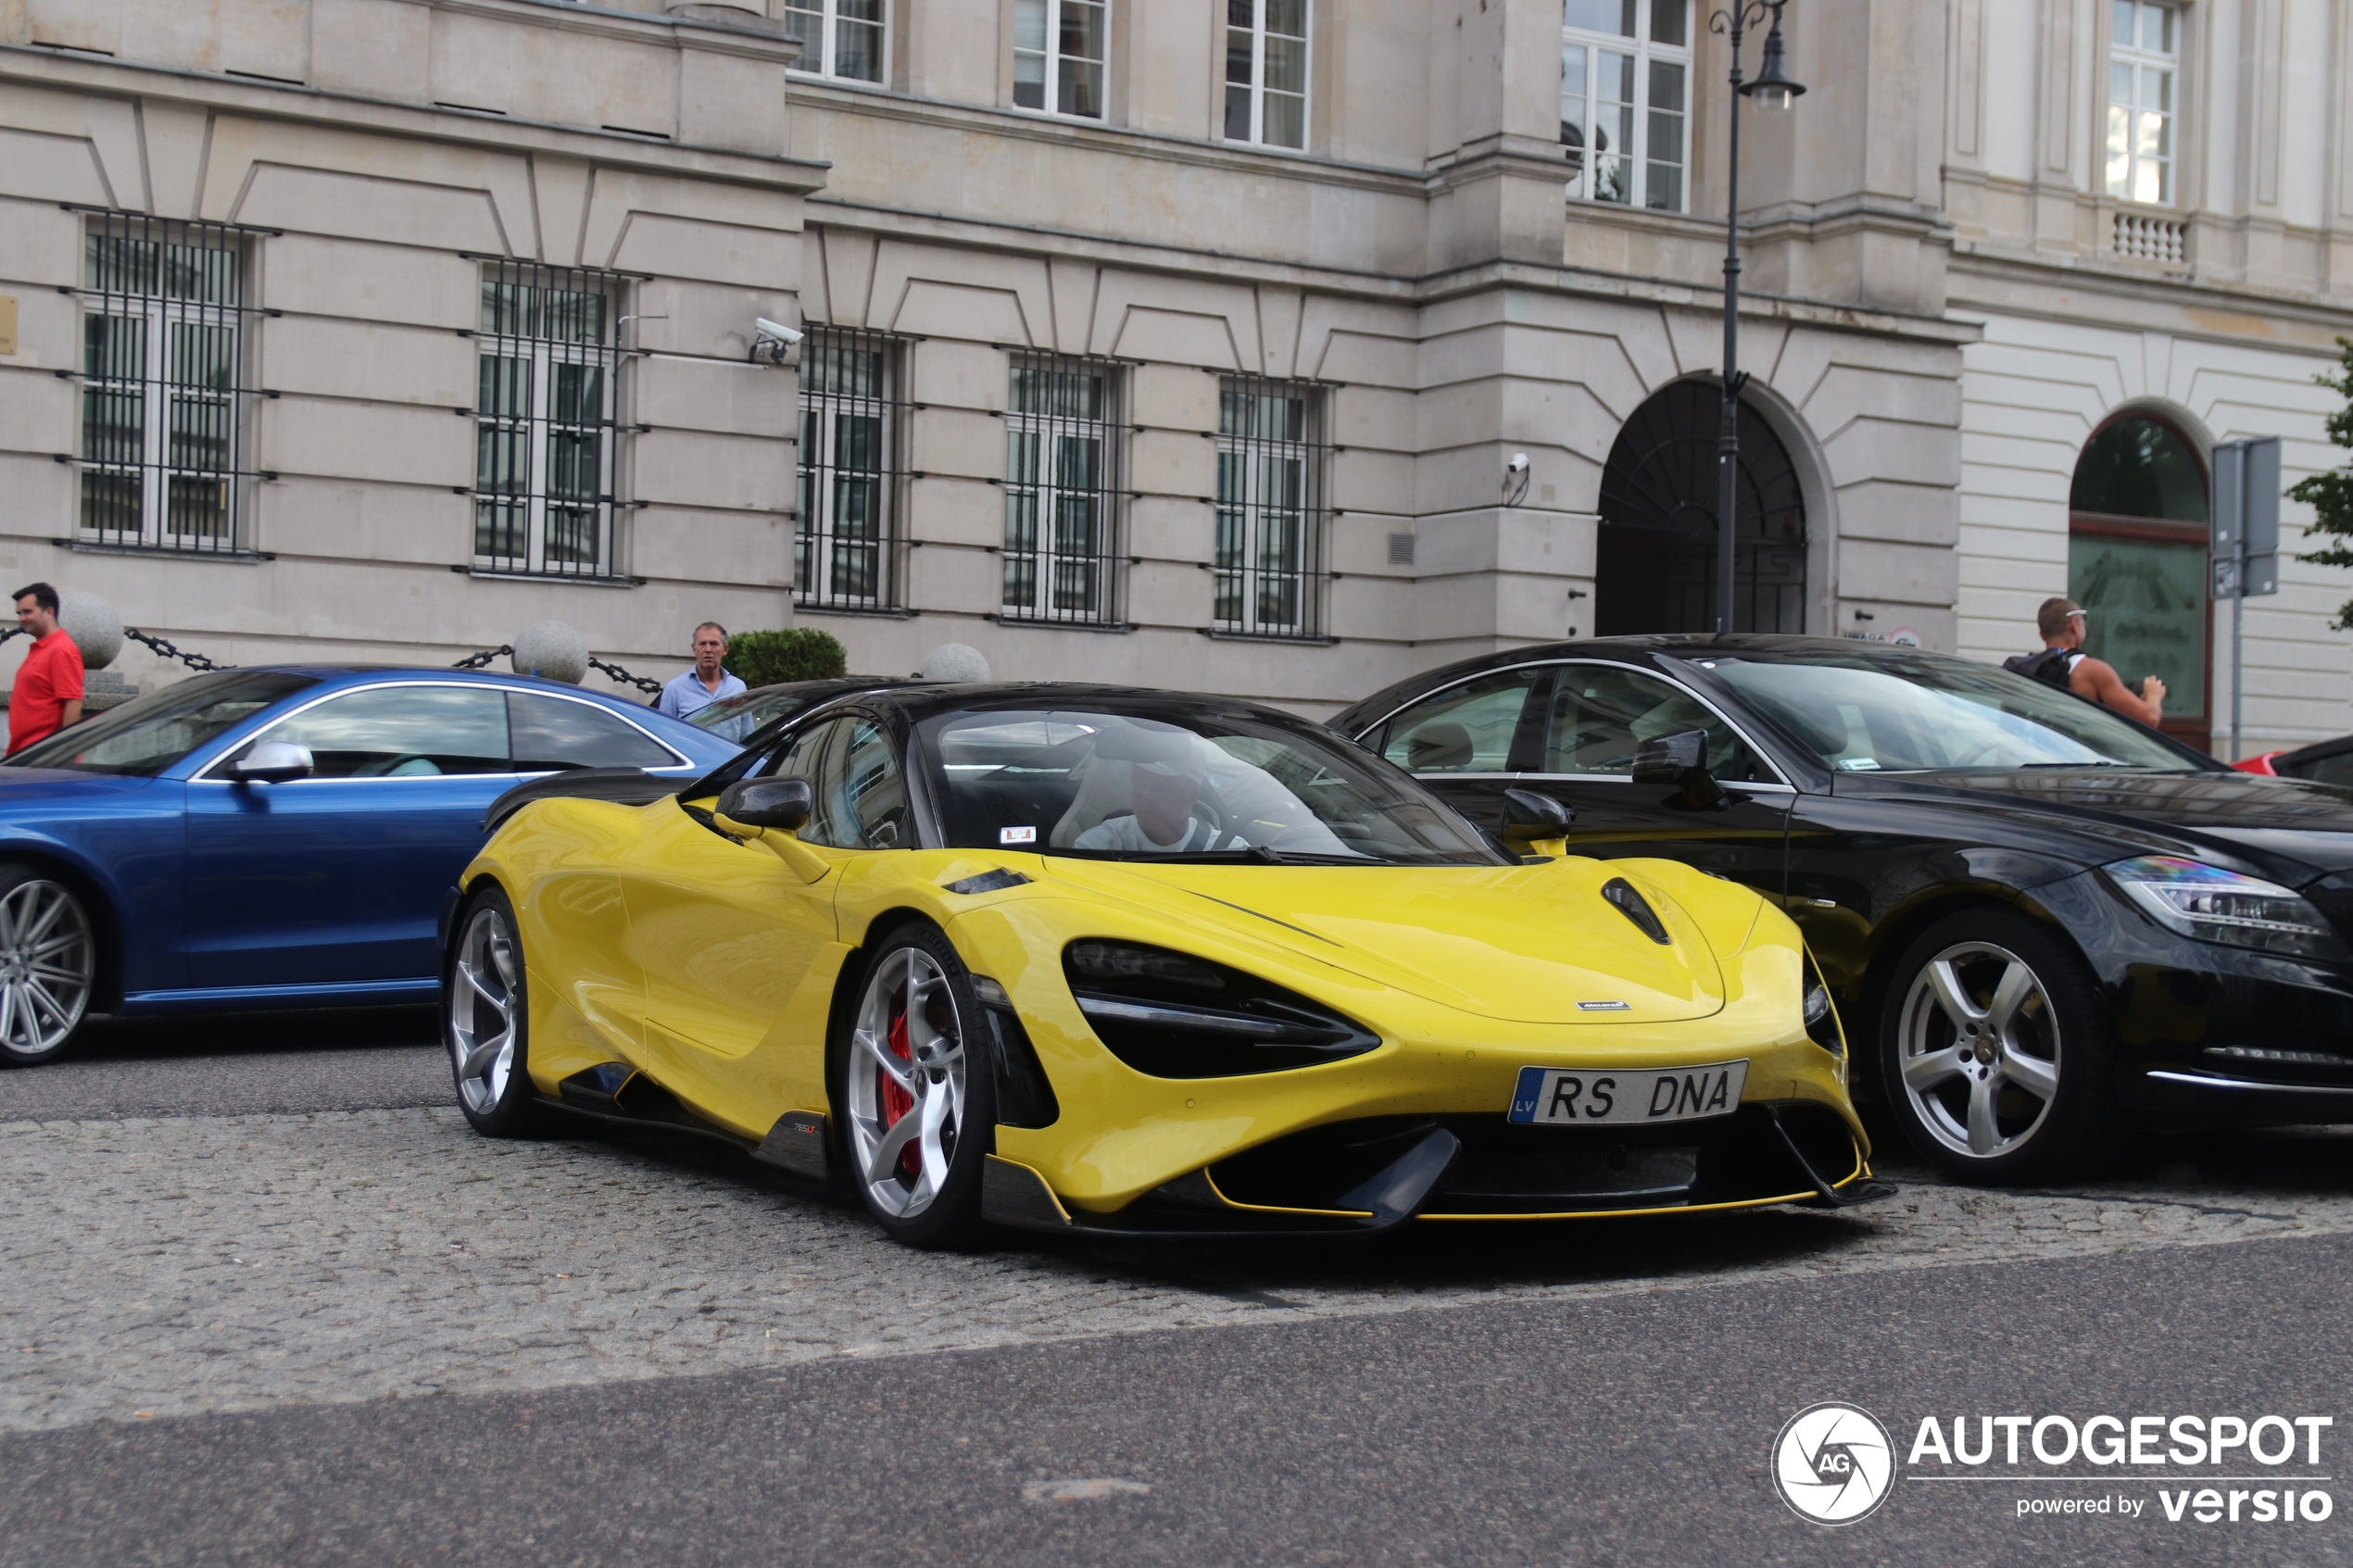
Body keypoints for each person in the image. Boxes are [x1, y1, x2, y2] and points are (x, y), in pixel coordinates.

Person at [2005, 596, 2165, 725]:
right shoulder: (2092, 670)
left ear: (2042, 634)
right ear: (2074, 625)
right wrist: (2154, 694)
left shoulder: (2027, 669)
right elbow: (2150, 718)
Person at [1075, 758, 1228, 853]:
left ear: (1193, 794)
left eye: (1161, 786)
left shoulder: (1230, 852)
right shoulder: (1099, 844)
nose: (1145, 796)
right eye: (1139, 783)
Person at [7, 583, 83, 757]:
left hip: (43, 757)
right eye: (19, 613)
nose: (22, 619)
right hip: (25, 754)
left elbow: (72, 702)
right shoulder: (43, 648)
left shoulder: (62, 650)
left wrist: (65, 755)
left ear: (49, 612)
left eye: (28, 612)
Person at [656, 621, 747, 721]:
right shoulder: (675, 689)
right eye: (702, 644)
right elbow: (664, 731)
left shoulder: (738, 688)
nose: (708, 649)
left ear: (725, 649)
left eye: (714, 644)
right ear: (694, 649)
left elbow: (746, 733)